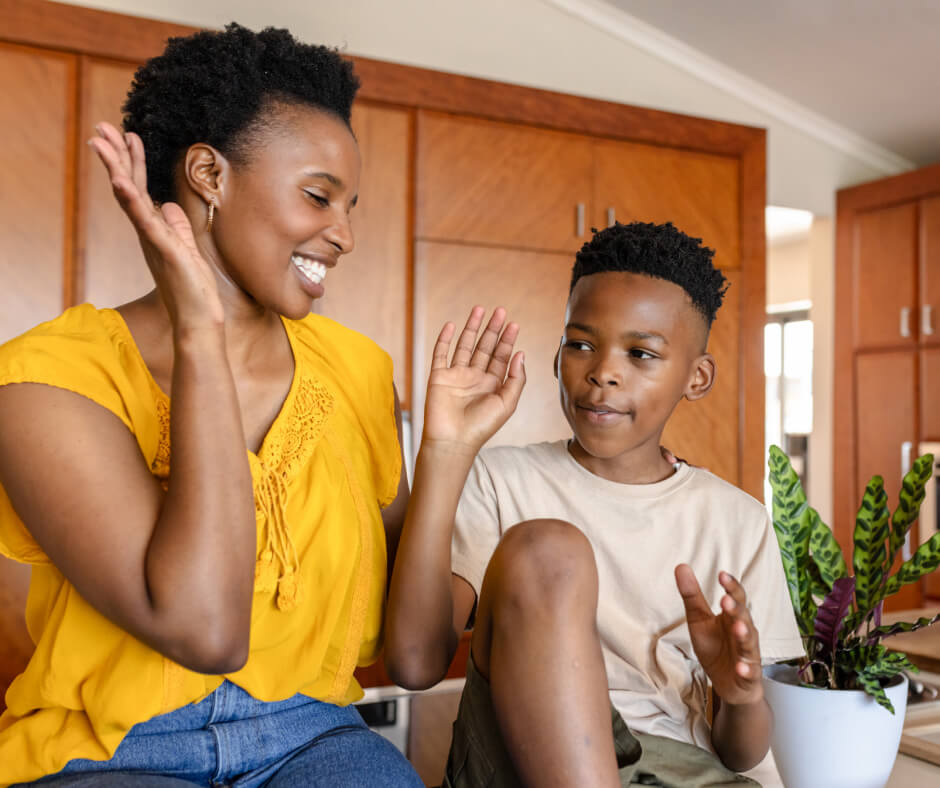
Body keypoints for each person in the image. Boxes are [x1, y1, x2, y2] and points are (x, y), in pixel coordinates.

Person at [0, 23, 422, 787]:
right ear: (208, 174)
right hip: (110, 751)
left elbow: (410, 637)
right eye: (319, 196)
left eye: (350, 204)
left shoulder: (359, 372)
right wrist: (200, 328)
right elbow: (206, 630)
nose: (345, 234)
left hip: (316, 738)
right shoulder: (44, 379)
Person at [385, 221, 805, 787]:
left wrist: (741, 695)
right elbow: (413, 663)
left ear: (696, 377)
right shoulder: (501, 481)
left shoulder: (740, 523)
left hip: (679, 770)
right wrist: (444, 450)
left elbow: (741, 754)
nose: (603, 371)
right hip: (516, 763)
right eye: (581, 344)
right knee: (547, 548)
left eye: (640, 353)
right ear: (558, 354)